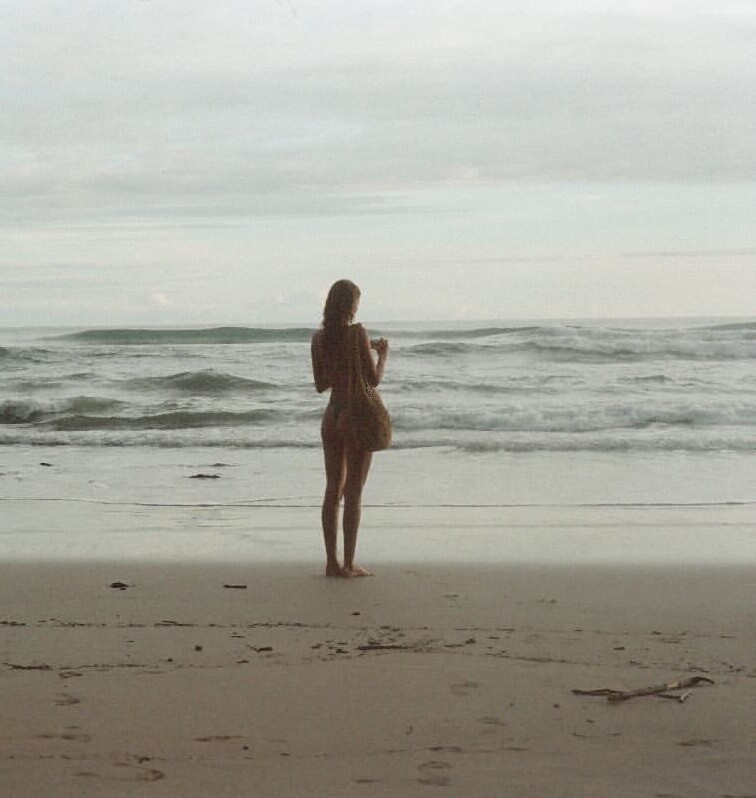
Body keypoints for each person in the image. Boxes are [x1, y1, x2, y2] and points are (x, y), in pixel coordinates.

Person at [311, 280, 389, 577]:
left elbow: (321, 384)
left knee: (333, 488)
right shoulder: (358, 333)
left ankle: (331, 563)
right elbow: (373, 380)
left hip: (332, 415)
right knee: (354, 492)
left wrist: (353, 357)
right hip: (355, 415)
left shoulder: (319, 338)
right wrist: (382, 355)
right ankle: (349, 564)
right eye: (357, 301)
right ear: (350, 305)